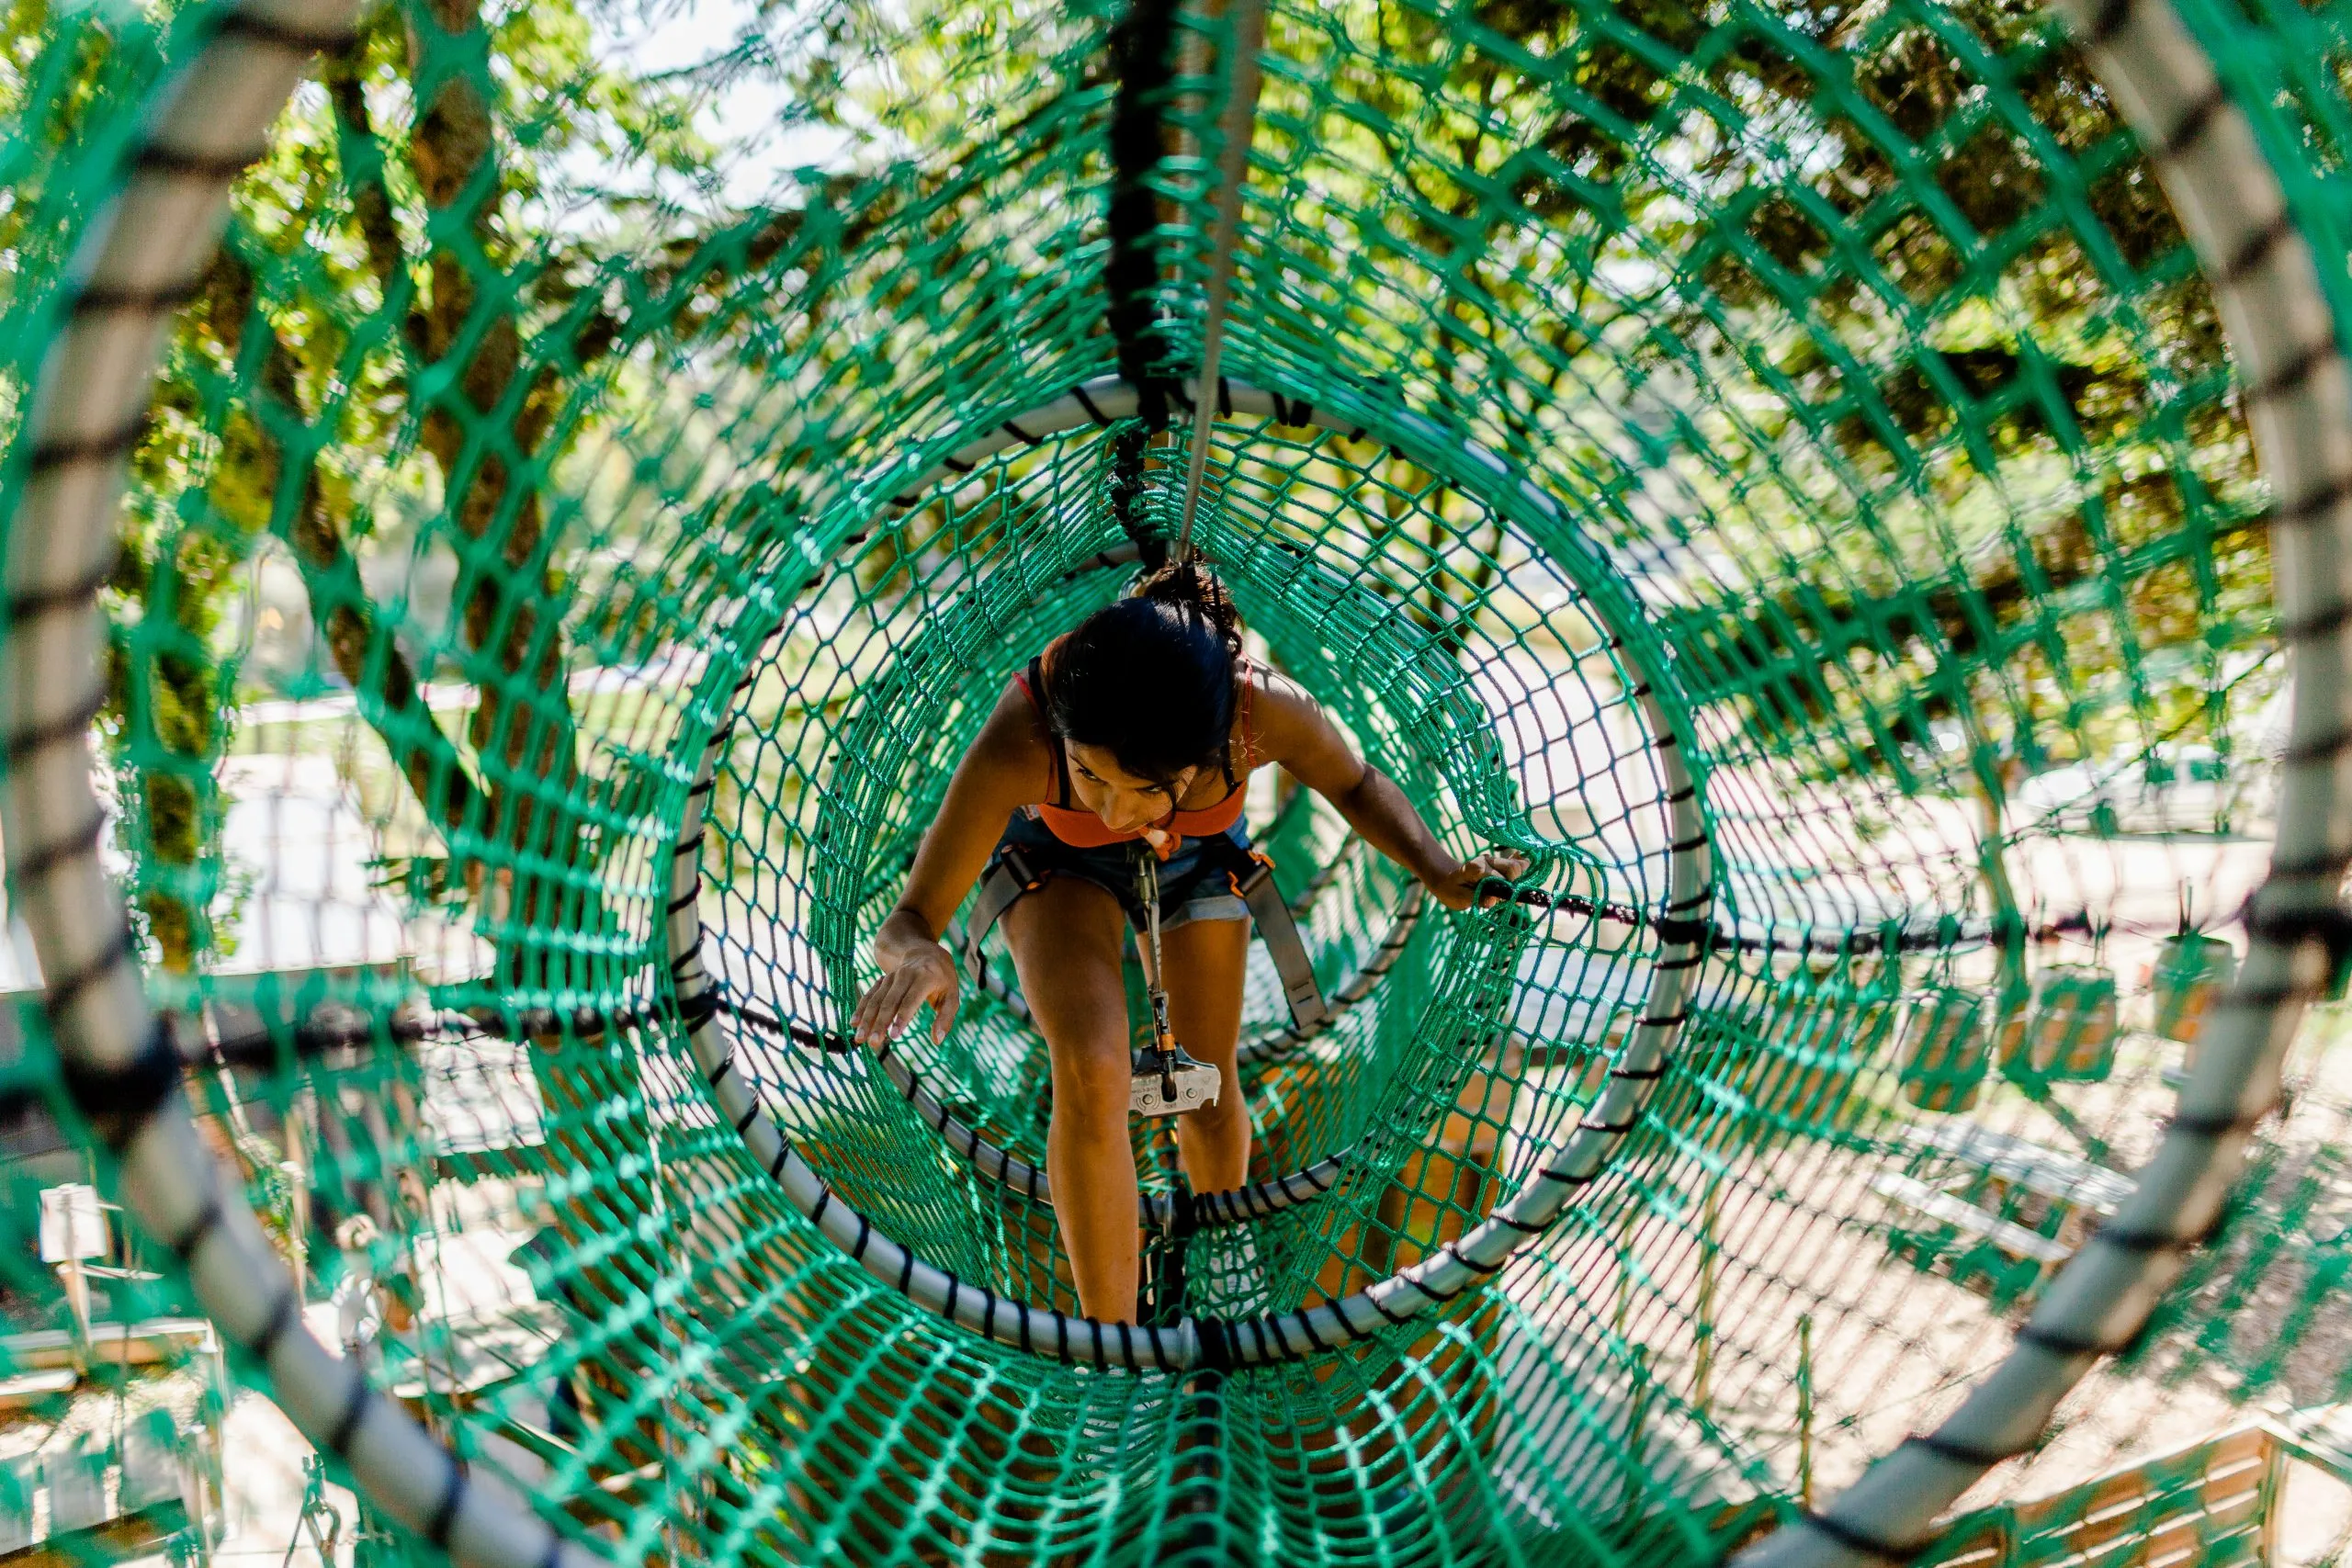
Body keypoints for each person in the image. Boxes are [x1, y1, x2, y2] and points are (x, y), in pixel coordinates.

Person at [849, 560, 1527, 1323]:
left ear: (1213, 752)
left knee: (1203, 1076)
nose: (1113, 811)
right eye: (1089, 775)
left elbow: (1356, 783)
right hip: (1055, 865)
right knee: (1093, 1063)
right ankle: (1113, 1345)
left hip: (1200, 857)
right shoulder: (1025, 732)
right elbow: (910, 918)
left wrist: (1438, 870)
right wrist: (922, 954)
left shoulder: (1259, 709)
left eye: (1145, 788)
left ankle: (1221, 1238)